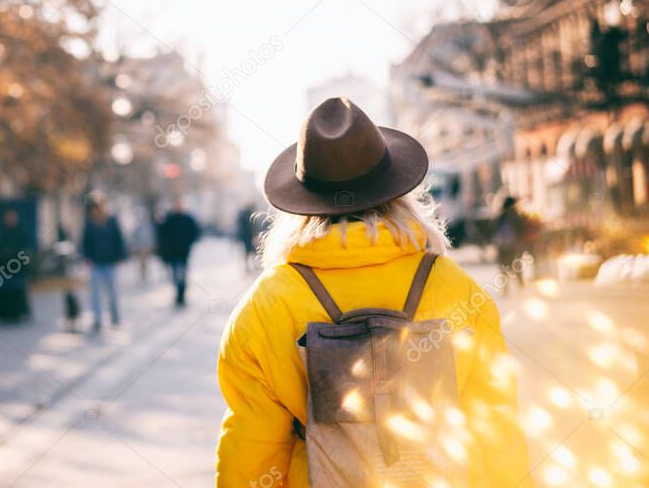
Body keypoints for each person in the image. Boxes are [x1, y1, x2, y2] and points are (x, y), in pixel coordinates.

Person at [215, 98, 529, 488]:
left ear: (302, 203)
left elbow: (252, 447)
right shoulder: (454, 286)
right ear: (397, 191)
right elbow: (494, 422)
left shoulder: (266, 303)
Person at [81, 193, 126, 332]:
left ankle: (115, 318)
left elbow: (118, 239)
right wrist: (87, 257)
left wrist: (120, 256)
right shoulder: (89, 223)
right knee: (95, 294)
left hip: (110, 262)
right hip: (96, 263)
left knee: (112, 291)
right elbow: (85, 242)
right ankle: (98, 320)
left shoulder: (111, 220)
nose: (97, 209)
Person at [158, 200, 200, 307]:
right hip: (172, 253)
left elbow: (195, 231)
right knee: (175, 275)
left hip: (184, 252)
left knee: (182, 274)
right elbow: (162, 234)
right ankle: (178, 293)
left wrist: (189, 242)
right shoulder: (169, 219)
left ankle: (181, 295)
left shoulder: (187, 219)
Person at [492, 195, 529, 294]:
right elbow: (520, 230)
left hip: (501, 244)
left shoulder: (500, 215)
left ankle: (507, 288)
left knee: (504, 267)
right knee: (515, 265)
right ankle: (520, 285)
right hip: (512, 244)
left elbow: (494, 229)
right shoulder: (515, 215)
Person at [235, 204, 260, 274]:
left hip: (244, 237)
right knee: (252, 251)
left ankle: (248, 267)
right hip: (249, 236)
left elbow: (239, 228)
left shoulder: (241, 215)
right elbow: (252, 226)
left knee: (248, 252)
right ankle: (253, 266)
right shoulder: (249, 214)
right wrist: (254, 235)